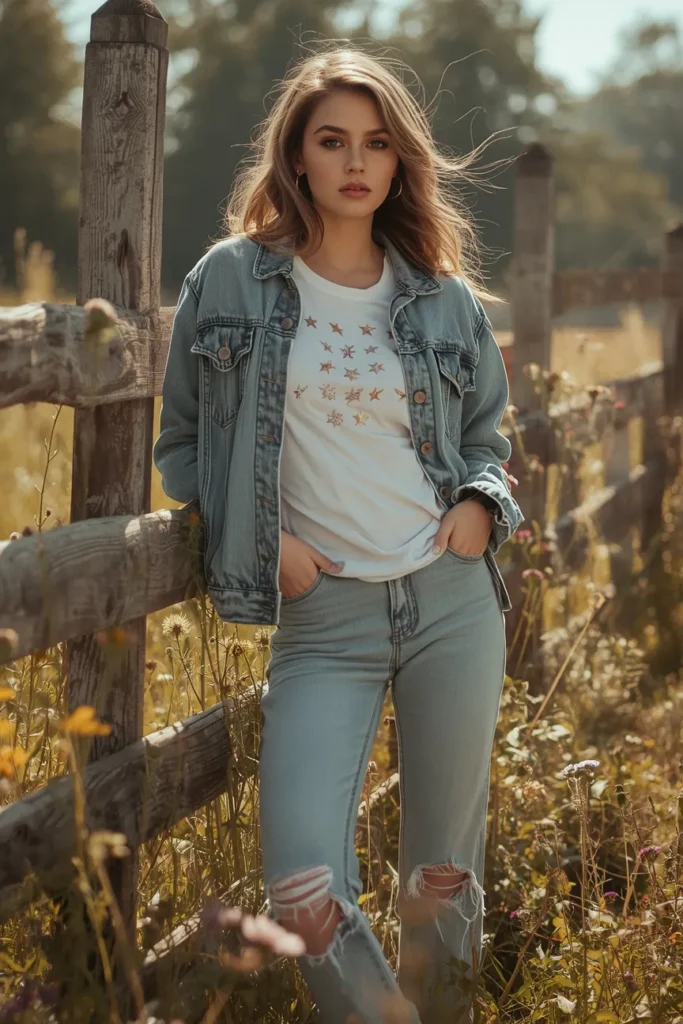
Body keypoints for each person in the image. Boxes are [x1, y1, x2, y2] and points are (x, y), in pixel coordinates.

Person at [154, 45, 524, 1024]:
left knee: (442, 873)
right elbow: (183, 442)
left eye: (375, 143)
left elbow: (487, 435)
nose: (355, 162)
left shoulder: (440, 297)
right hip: (323, 616)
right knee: (301, 885)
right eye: (332, 141)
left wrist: (479, 506)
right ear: (298, 157)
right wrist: (261, 533)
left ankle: (438, 1009)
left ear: (400, 163)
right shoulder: (230, 282)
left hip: (449, 601)